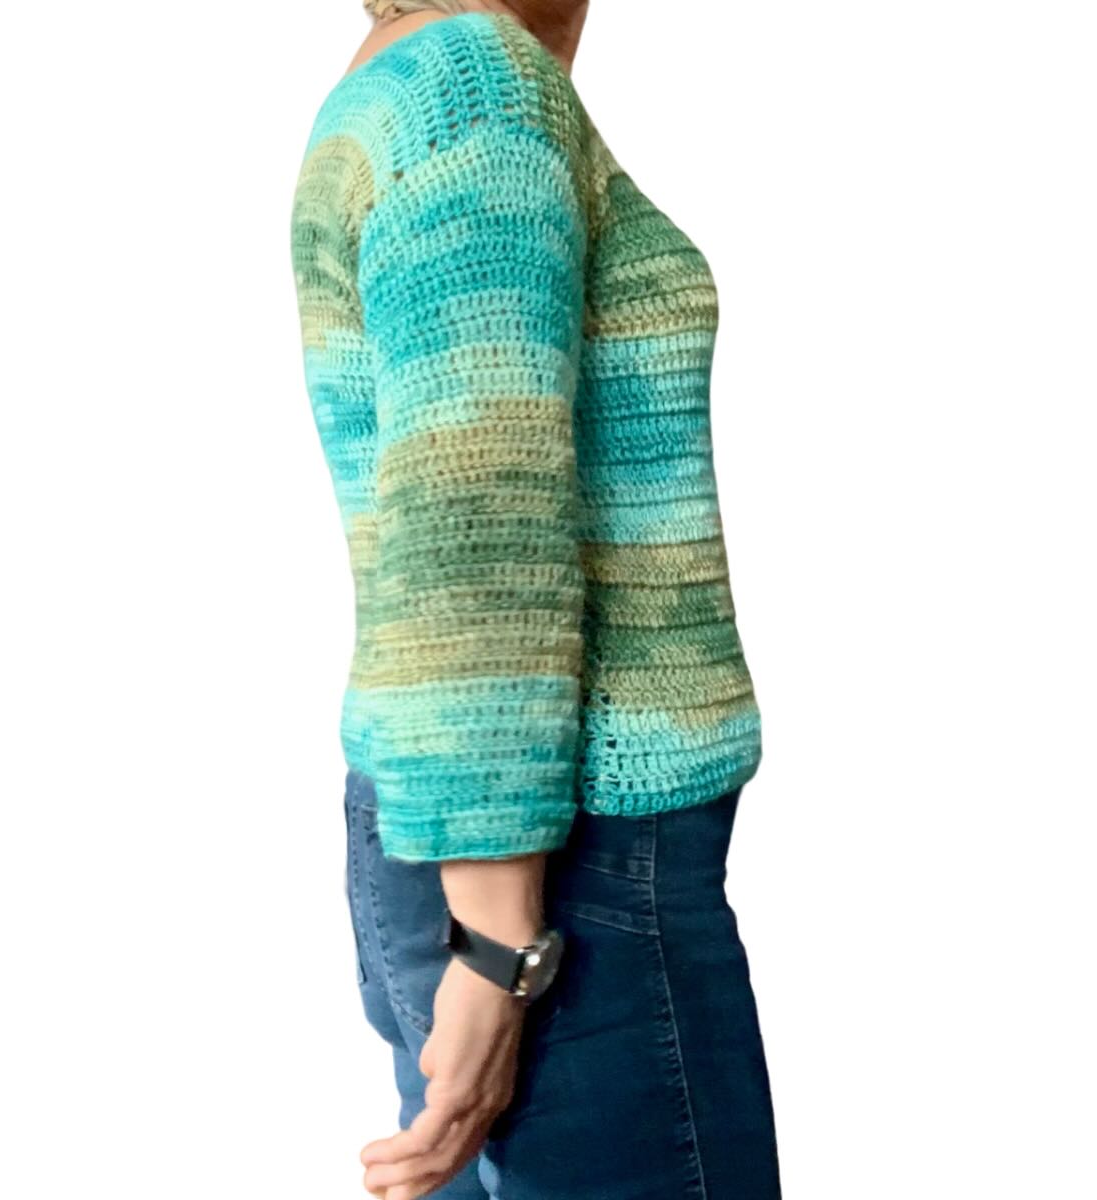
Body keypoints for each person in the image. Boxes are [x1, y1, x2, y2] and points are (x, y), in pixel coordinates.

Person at [290, 2, 782, 1196]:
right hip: (567, 863)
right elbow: (474, 511)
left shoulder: (414, 75)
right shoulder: (478, 90)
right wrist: (503, 944)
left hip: (482, 835)